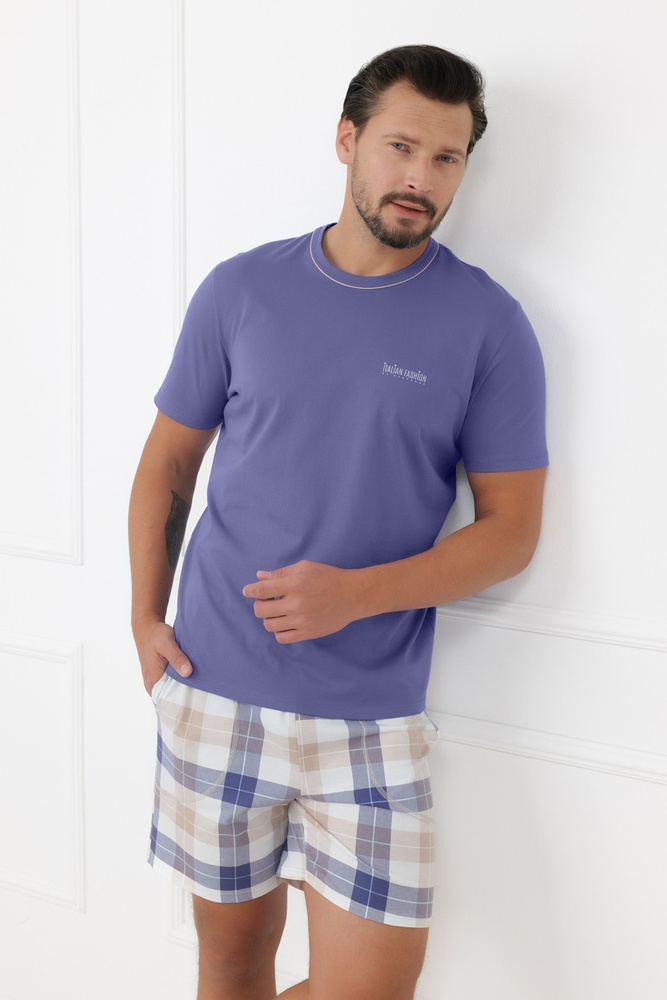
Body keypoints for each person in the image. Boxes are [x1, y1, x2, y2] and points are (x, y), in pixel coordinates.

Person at [129, 44, 548, 1000]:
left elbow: (511, 531)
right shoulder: (241, 290)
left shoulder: (488, 325)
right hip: (213, 691)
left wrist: (356, 596)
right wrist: (143, 616)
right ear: (346, 140)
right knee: (229, 965)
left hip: (369, 718)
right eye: (400, 146)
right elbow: (168, 464)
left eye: (445, 158)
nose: (420, 178)